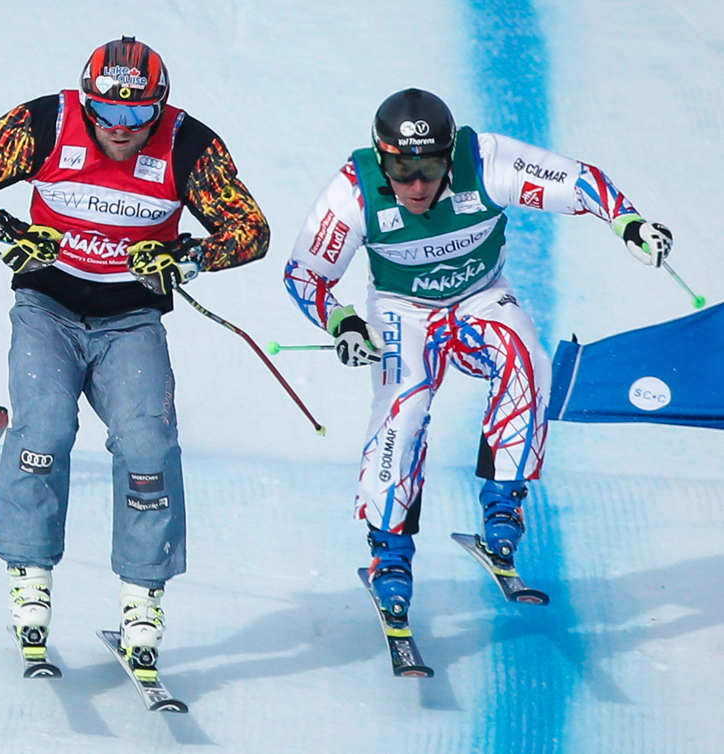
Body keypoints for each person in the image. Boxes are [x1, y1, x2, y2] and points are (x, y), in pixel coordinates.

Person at [0, 36, 269, 679]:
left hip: (130, 318)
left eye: (138, 117)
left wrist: (191, 254)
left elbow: (250, 229)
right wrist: (6, 230)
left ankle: (144, 594)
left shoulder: (189, 145)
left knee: (149, 444)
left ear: (160, 108)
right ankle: (30, 577)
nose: (120, 130)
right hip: (48, 309)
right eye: (106, 114)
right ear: (85, 102)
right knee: (44, 430)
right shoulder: (48, 123)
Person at [284, 88, 673, 625]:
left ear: (449, 155)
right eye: (401, 169)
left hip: (482, 295)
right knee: (405, 405)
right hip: (402, 311)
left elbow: (577, 179)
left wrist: (628, 221)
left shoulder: (485, 161)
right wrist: (342, 322)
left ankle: (504, 505)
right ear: (380, 158)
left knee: (526, 357)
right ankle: (389, 554)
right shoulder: (353, 191)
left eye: (430, 167)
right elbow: (306, 273)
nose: (416, 185)